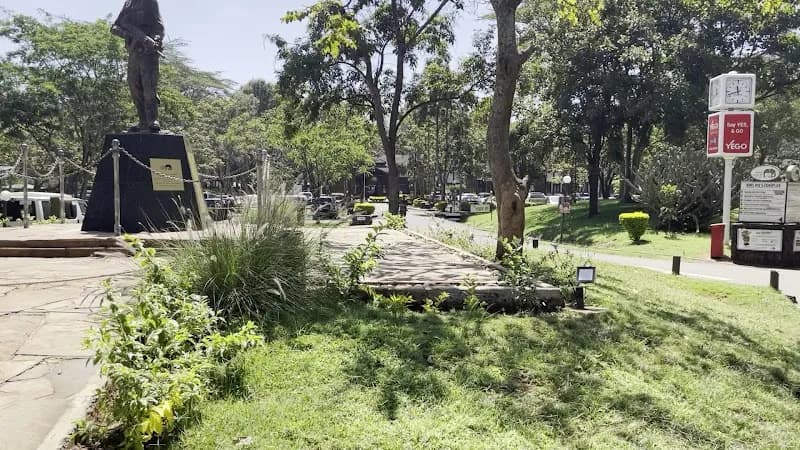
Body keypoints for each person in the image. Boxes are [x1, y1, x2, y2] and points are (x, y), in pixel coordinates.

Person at [111, 0, 164, 133]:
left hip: (148, 51)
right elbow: (114, 27)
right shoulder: (128, 4)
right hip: (134, 51)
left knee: (149, 86)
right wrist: (129, 35)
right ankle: (142, 121)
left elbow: (159, 26)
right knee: (134, 85)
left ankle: (152, 120)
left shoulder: (150, 2)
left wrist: (155, 39)